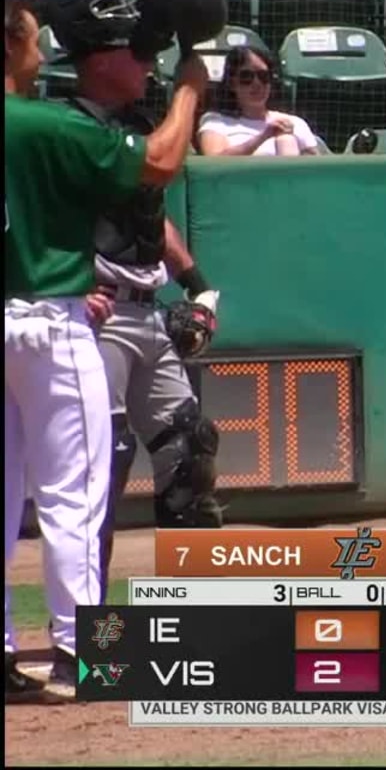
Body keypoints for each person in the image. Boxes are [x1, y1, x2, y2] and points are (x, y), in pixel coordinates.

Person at [5, 0, 209, 703]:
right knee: (76, 496)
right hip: (47, 325)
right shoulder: (49, 122)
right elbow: (158, 162)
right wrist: (189, 88)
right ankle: (84, 654)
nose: (40, 49)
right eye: (28, 39)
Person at [76, 40, 227, 589]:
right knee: (104, 467)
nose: (146, 66)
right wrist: (71, 282)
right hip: (100, 313)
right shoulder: (75, 130)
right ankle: (86, 629)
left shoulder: (133, 127)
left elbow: (150, 218)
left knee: (189, 447)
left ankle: (189, 612)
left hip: (147, 309)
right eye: (135, 56)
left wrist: (198, 287)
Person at [196, 46, 321, 156]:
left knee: (286, 140)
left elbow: (316, 167)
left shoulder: (294, 122)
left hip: (287, 181)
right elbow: (214, 163)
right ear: (232, 83)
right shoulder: (217, 121)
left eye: (263, 76)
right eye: (247, 77)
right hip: (239, 182)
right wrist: (263, 137)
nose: (257, 83)